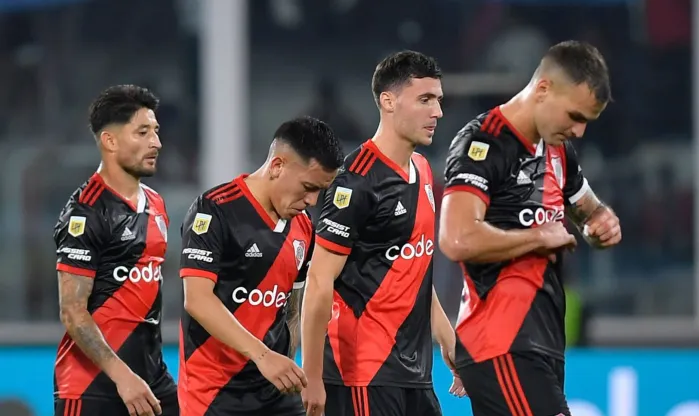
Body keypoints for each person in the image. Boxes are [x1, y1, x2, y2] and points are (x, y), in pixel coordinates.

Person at [438, 40, 622, 416]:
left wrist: (601, 222)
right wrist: (538, 237)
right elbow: (456, 238)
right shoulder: (484, 143)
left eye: (587, 120)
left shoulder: (558, 149)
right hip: (502, 340)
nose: (579, 130)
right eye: (574, 115)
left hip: (542, 342)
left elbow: (587, 210)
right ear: (543, 89)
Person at [300, 50, 463, 416]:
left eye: (438, 100)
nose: (437, 112)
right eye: (425, 99)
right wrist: (311, 376)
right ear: (388, 102)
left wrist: (446, 336)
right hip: (363, 373)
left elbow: (415, 268)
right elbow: (319, 282)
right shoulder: (356, 181)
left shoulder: (422, 169)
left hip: (416, 374)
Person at [177, 116, 344, 416]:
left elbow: (291, 309)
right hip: (215, 394)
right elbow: (197, 299)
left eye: (320, 191)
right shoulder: (214, 210)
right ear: (278, 166)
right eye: (308, 187)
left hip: (275, 392)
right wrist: (263, 355)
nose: (312, 200)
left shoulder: (303, 227)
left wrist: (289, 367)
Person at [53, 85, 177, 416]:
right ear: (110, 141)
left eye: (156, 131)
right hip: (93, 389)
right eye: (143, 132)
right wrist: (124, 377)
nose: (156, 143)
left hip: (151, 381)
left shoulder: (157, 204)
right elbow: (73, 311)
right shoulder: (86, 211)